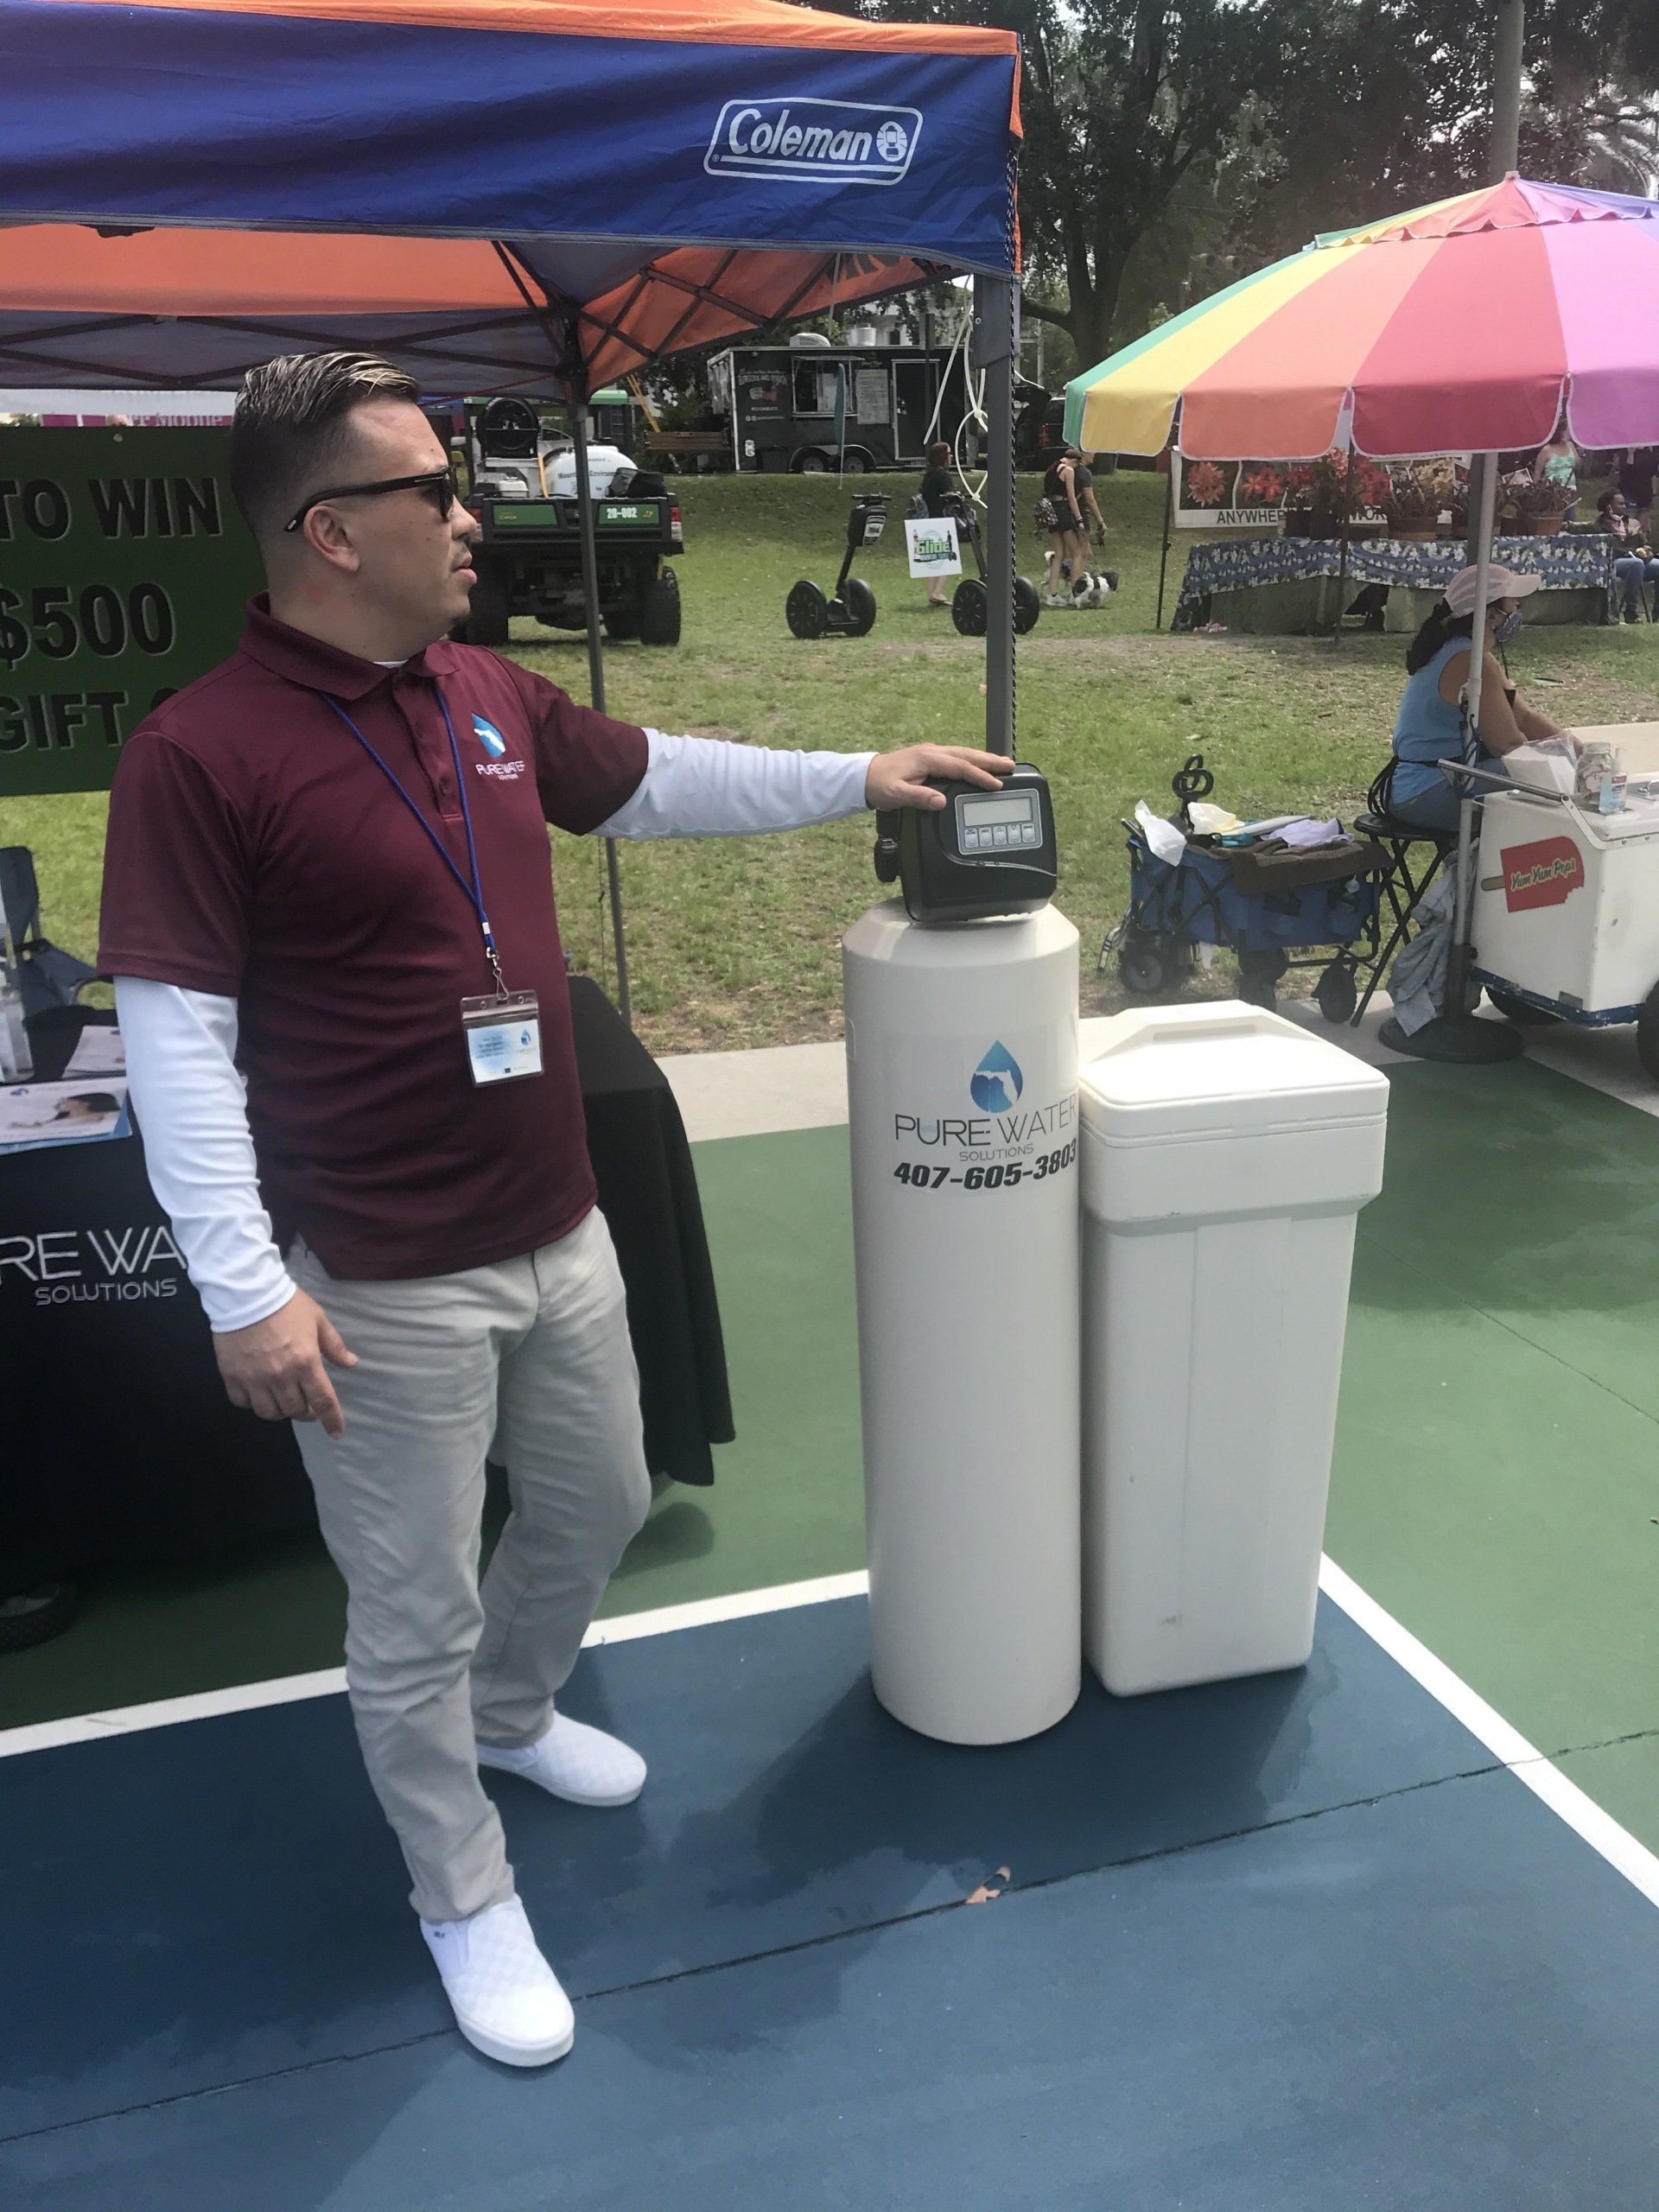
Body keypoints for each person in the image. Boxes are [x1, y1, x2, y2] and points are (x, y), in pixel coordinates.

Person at [96, 350, 1011, 2072]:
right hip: (384, 1276)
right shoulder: (199, 754)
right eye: (436, 491)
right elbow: (175, 1038)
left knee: (601, 1498)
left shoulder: (482, 689)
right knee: (414, 1611)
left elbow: (656, 776)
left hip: (557, 1226)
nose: (474, 515)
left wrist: (855, 769)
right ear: (330, 533)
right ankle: (462, 1892)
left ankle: (512, 1716)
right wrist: (241, 1287)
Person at [1386, 563, 1568, 834]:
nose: (1517, 609)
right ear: (1492, 615)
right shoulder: (1468, 661)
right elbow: (1507, 744)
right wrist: (1564, 765)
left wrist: (1579, 752)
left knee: (1550, 774)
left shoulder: (1463, 653)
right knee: (1546, 785)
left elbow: (1525, 718)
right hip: (1427, 792)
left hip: (1417, 787)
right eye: (1513, 603)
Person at [1599, 488, 1659, 621]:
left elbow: (1643, 543)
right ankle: (1631, 611)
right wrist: (1632, 552)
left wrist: (1647, 551)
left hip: (1638, 559)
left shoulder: (1633, 524)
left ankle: (1657, 614)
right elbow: (1610, 549)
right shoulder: (1599, 526)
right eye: (1620, 504)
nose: (1624, 507)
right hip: (1614, 561)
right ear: (1608, 506)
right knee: (1635, 564)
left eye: (1624, 503)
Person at [1041, 444, 1088, 604]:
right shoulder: (1068, 471)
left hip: (1050, 510)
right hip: (1062, 510)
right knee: (1077, 552)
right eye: (1077, 465)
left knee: (1059, 553)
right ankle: (1075, 594)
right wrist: (1079, 518)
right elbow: (1072, 497)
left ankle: (1052, 595)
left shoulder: (1051, 468)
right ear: (1074, 461)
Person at [918, 438, 955, 608]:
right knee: (947, 559)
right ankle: (938, 592)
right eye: (949, 454)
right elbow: (949, 497)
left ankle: (932, 593)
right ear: (943, 457)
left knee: (934, 560)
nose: (951, 457)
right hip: (942, 520)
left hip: (929, 520)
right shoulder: (943, 476)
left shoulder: (928, 476)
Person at [1532, 419, 1580, 523]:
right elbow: (1537, 472)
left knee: (1570, 519)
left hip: (1570, 489)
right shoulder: (1547, 450)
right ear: (1560, 432)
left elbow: (1577, 464)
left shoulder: (1570, 446)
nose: (1570, 434)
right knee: (1553, 520)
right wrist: (1537, 490)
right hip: (1552, 491)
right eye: (1567, 431)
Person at [1615, 446, 1657, 531]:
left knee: (1643, 524)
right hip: (1629, 492)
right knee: (1630, 523)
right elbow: (1624, 471)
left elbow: (1653, 472)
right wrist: (1630, 455)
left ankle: (1642, 537)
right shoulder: (1625, 451)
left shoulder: (1650, 450)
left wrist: (1654, 492)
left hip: (1645, 493)